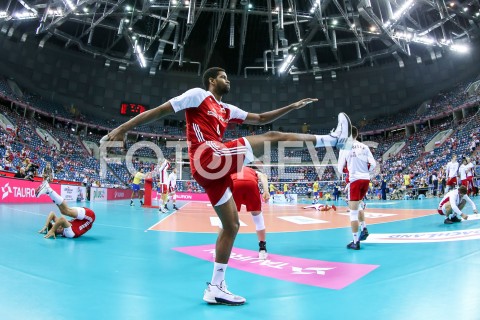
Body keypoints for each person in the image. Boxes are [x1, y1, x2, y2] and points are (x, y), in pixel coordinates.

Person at [102, 67, 352, 305]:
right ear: (212, 80)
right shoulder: (198, 95)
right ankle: (334, 140)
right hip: (206, 156)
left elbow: (261, 118)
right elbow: (160, 111)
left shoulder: (226, 109)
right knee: (273, 138)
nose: (228, 80)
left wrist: (292, 106)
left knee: (231, 225)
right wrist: (123, 128)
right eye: (223, 76)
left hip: (213, 172)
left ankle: (215, 288)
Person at [338, 126, 376, 250]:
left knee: (353, 213)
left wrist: (349, 170)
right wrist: (365, 171)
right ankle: (364, 228)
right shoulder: (365, 147)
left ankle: (355, 242)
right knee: (358, 204)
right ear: (357, 134)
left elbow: (340, 168)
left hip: (355, 180)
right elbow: (373, 164)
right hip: (365, 179)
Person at [231, 166, 270, 259]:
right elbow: (264, 176)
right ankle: (262, 249)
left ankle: (220, 249)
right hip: (251, 185)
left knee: (227, 218)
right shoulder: (253, 171)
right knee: (258, 218)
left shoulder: (232, 169)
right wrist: (266, 191)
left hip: (235, 184)